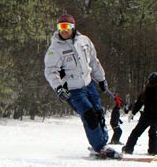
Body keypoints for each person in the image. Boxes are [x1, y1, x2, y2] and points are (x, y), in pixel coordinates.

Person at [44, 13, 121, 159]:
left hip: (88, 83)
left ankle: (101, 143)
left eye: (66, 26)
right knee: (89, 115)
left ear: (73, 27)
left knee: (99, 113)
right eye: (60, 27)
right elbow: (50, 71)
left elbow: (93, 61)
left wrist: (101, 79)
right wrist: (59, 88)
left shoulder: (84, 41)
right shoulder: (55, 49)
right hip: (73, 89)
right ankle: (100, 147)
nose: (63, 30)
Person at [122, 72, 157, 156]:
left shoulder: (145, 93)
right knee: (152, 133)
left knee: (136, 133)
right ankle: (153, 151)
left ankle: (128, 149)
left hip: (146, 117)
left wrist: (132, 113)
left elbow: (138, 104)